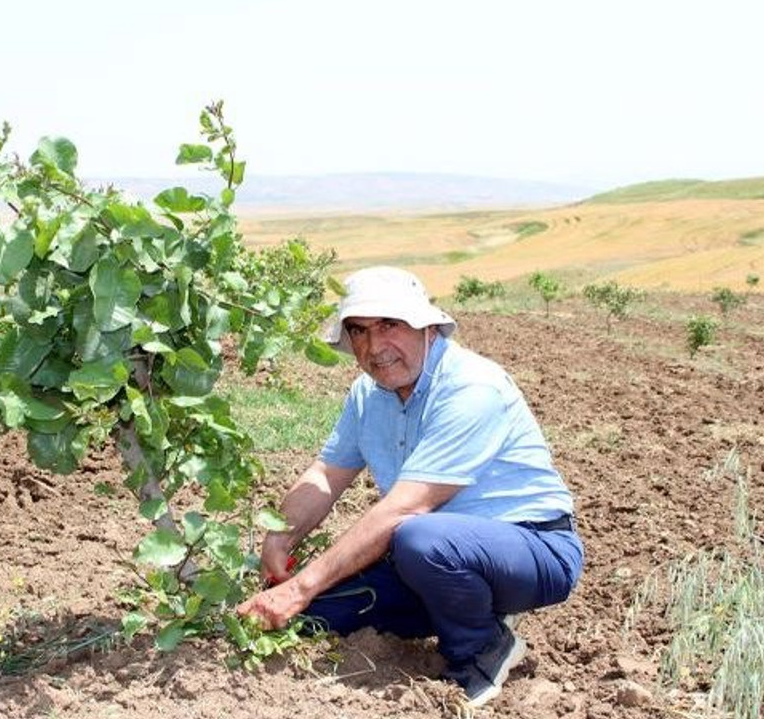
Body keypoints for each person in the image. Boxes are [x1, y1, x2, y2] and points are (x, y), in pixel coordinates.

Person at [235, 266, 584, 708]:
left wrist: (297, 587)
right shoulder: (368, 394)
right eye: (359, 331)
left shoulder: (472, 386)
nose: (374, 346)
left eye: (389, 325)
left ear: (428, 326)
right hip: (429, 561)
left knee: (417, 537)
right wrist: (279, 539)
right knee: (317, 615)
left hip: (531, 548)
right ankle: (463, 606)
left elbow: (405, 510)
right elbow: (327, 474)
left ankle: (480, 649)